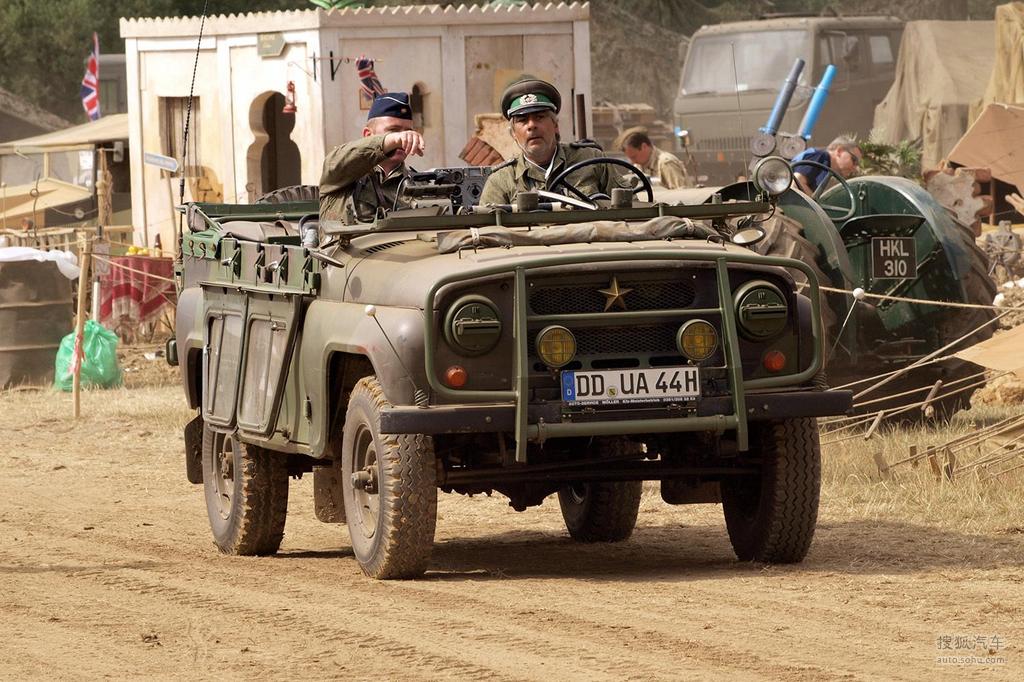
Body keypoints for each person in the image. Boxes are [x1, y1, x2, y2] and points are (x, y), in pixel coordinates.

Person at [480, 79, 628, 206]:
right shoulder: (501, 181)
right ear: (513, 134)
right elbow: (489, 234)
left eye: (539, 117)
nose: (531, 125)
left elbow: (634, 211)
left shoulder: (592, 161)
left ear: (555, 125)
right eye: (522, 120)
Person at [319, 92, 425, 223]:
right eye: (393, 130)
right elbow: (334, 162)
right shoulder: (341, 175)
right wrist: (390, 141)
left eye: (408, 131)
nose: (403, 138)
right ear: (368, 135)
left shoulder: (418, 186)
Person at [619, 128, 693, 189]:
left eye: (634, 157)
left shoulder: (666, 163)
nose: (632, 161)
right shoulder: (639, 166)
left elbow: (681, 193)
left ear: (644, 147)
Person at [791, 136, 862, 195]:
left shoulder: (825, 165)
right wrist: (817, 206)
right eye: (854, 160)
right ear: (840, 151)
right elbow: (796, 184)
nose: (855, 168)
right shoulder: (820, 156)